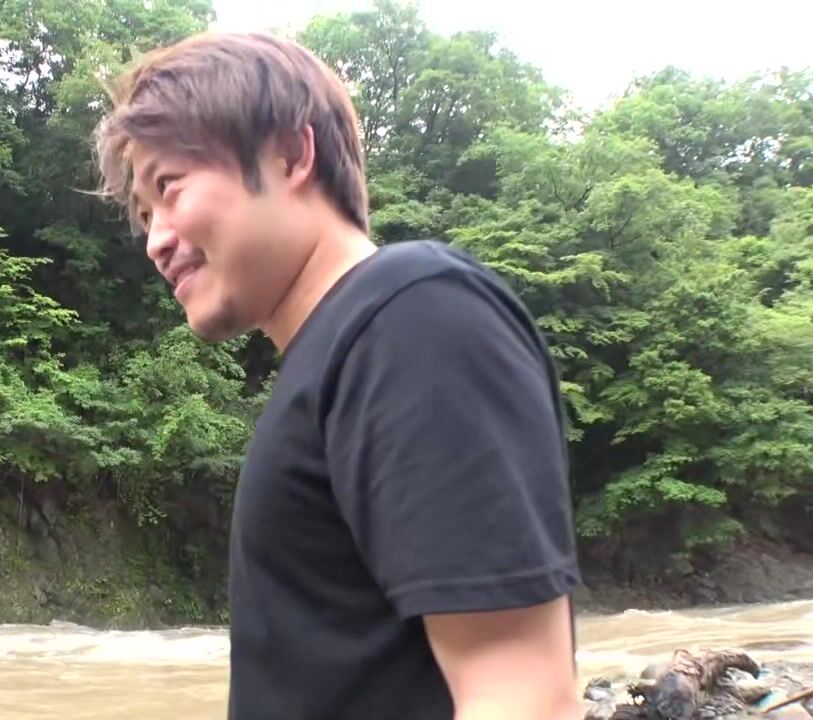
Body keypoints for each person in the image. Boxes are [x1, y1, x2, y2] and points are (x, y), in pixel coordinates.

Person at [92, 31, 583, 720]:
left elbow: (523, 696)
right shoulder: (339, 355)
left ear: (292, 156)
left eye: (168, 188)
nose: (155, 240)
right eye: (145, 215)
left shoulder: (414, 317)